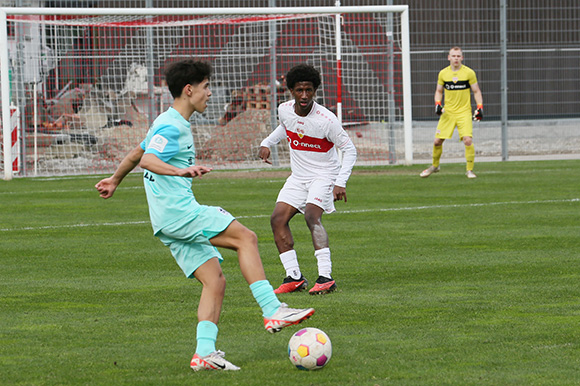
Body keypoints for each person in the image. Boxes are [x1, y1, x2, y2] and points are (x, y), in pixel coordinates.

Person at [95, 60, 314, 372]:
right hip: (179, 213)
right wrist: (180, 169)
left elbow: (134, 154)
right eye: (206, 87)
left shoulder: (167, 121)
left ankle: (204, 354)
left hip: (166, 223)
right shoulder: (172, 126)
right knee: (247, 238)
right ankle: (272, 309)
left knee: (214, 281)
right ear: (189, 90)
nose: (209, 94)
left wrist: (115, 180)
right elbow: (147, 159)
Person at [258, 64, 357, 296]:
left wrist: (340, 182)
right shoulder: (284, 110)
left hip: (324, 176)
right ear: (291, 90)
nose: (304, 95)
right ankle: (294, 277)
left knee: (312, 216)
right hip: (298, 177)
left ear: (315, 90)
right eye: (300, 90)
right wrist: (267, 142)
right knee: (277, 219)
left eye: (309, 90)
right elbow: (286, 127)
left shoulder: (326, 119)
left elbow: (349, 149)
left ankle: (326, 277)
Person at [420, 46, 483, 179]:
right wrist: (437, 104)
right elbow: (439, 91)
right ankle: (435, 166)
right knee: (437, 141)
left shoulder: (469, 73)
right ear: (449, 57)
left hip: (464, 112)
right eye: (453, 56)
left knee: (467, 140)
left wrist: (480, 107)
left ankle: (469, 170)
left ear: (462, 58)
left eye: (458, 56)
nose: (456, 58)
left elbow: (476, 91)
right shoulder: (443, 73)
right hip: (448, 113)